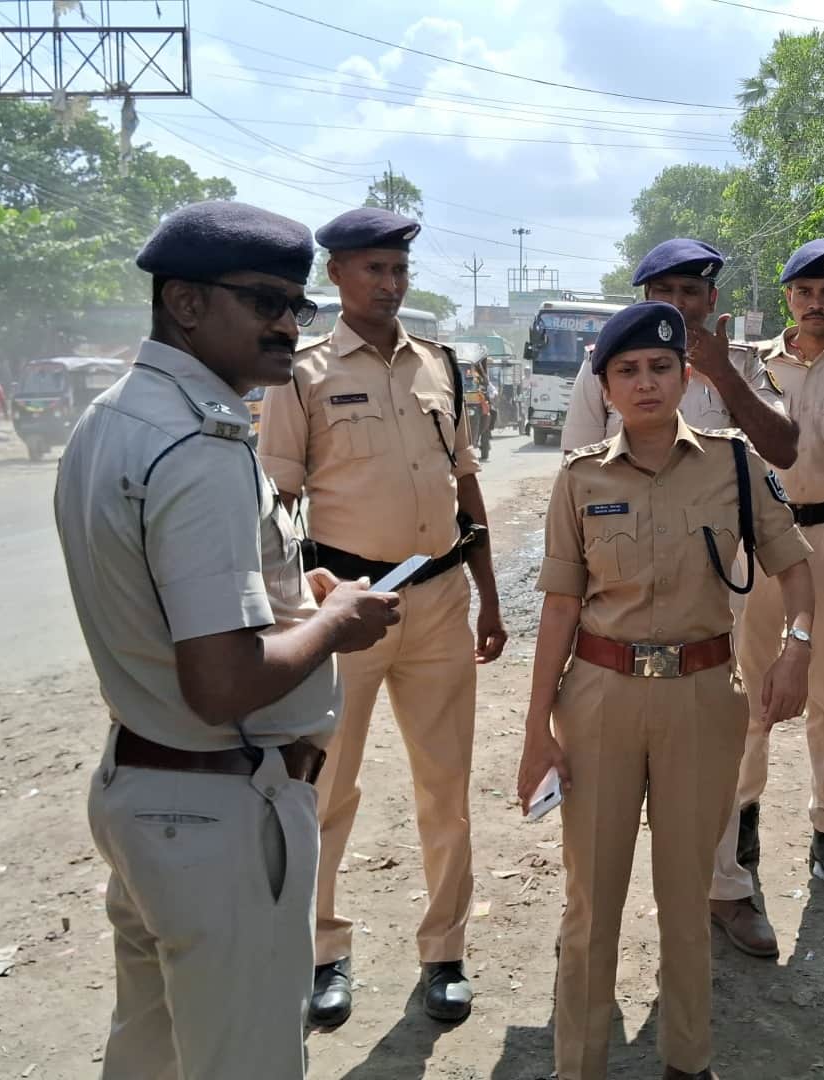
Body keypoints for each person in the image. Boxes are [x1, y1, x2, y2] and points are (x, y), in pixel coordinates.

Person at [53, 200, 401, 1079]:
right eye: (264, 302)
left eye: (298, 306)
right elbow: (220, 681)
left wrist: (294, 598)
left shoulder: (116, 416)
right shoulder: (197, 444)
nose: (289, 326)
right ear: (186, 303)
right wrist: (332, 625)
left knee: (154, 1050)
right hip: (215, 809)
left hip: (145, 788)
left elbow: (171, 599)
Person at [516, 301, 816, 1080]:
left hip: (702, 695)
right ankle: (578, 1065)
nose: (645, 382)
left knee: (686, 900)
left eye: (660, 367)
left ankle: (689, 1061)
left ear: (686, 376)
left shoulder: (737, 465)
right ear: (606, 387)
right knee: (591, 903)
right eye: (627, 371)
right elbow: (557, 606)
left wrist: (798, 648)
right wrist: (535, 730)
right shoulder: (579, 480)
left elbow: (795, 563)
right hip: (601, 699)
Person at [256, 206, 506, 1030]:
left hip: (439, 600)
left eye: (399, 271)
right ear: (337, 275)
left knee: (446, 787)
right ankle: (322, 951)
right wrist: (297, 608)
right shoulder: (304, 372)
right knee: (328, 789)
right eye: (375, 270)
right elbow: (279, 499)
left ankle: (445, 952)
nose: (391, 285)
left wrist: (491, 594)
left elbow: (463, 483)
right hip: (344, 608)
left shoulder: (440, 365)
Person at [706, 238, 824, 961]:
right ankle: (742, 823)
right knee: (746, 689)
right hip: (753, 547)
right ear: (787, 298)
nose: (818, 303)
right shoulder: (749, 366)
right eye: (805, 291)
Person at [559, 238, 798, 469]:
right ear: (647, 296)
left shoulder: (740, 362)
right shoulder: (606, 362)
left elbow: (784, 453)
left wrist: (723, 373)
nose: (677, 303)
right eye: (664, 290)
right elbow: (579, 464)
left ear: (711, 299)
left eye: (690, 291)